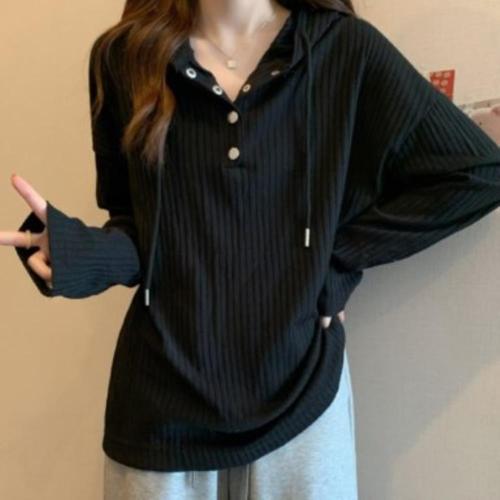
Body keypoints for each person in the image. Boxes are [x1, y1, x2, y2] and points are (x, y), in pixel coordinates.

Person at [3, 0, 500, 498]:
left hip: (301, 403)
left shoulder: (344, 49)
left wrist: (337, 262)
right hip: (160, 412)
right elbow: (140, 229)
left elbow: (475, 172)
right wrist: (81, 253)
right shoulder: (123, 57)